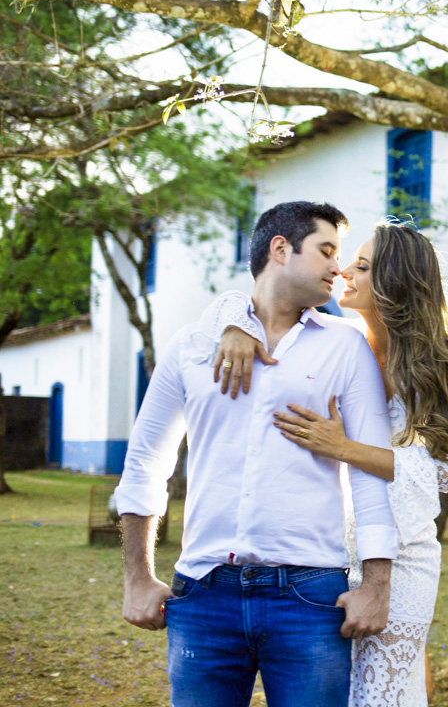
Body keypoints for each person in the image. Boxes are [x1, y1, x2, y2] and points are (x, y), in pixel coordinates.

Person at [114, 202, 399, 707]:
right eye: (326, 251)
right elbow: (144, 463)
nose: (338, 267)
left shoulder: (346, 346)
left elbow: (370, 469)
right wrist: (137, 577)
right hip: (202, 593)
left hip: (310, 596)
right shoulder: (192, 346)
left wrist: (377, 583)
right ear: (280, 249)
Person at [207, 218, 448, 707]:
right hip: (327, 555)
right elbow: (256, 298)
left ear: (394, 282)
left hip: (403, 558)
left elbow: (436, 472)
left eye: (361, 266)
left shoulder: (437, 368)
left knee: (385, 693)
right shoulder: (337, 343)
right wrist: (235, 323)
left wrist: (342, 446)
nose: (343, 271)